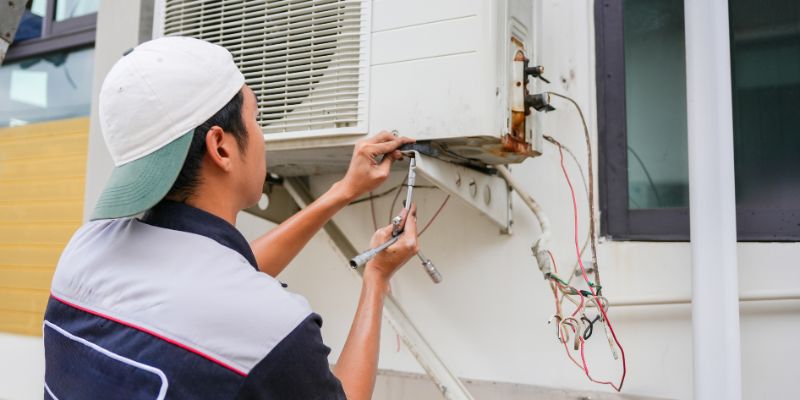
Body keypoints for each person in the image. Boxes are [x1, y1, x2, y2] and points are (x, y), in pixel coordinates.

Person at [43, 36, 418, 400]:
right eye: (255, 118)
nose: (261, 136)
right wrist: (376, 279)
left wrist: (342, 191)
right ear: (220, 146)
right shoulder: (271, 330)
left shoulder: (83, 252)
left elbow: (214, 281)